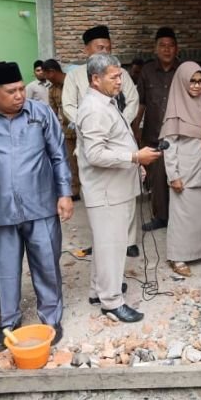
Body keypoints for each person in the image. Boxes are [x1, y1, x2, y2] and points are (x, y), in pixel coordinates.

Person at [0, 62, 74, 351]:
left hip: (41, 204)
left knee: (47, 264)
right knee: (3, 269)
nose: (20, 95)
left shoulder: (40, 113)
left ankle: (51, 318)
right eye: (12, 91)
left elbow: (58, 155)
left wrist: (64, 193)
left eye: (21, 88)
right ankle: (8, 321)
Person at [76, 54, 160, 322]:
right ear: (95, 79)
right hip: (106, 192)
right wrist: (135, 158)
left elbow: (115, 143)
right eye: (114, 77)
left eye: (120, 75)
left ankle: (97, 291)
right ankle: (111, 301)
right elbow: (95, 155)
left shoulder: (106, 103)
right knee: (112, 246)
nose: (120, 81)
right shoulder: (93, 109)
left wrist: (136, 165)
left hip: (116, 186)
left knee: (105, 245)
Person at [62, 25, 140, 257]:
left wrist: (117, 124)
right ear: (87, 49)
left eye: (107, 46)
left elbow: (133, 100)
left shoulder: (119, 73)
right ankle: (102, 241)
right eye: (99, 47)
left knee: (126, 191)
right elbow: (69, 105)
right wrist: (93, 126)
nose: (104, 49)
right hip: (92, 139)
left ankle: (129, 240)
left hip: (121, 138)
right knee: (97, 194)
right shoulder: (75, 76)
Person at [160, 61, 201, 277]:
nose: (197, 86)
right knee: (182, 216)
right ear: (182, 82)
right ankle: (178, 256)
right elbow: (169, 145)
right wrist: (173, 175)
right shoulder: (175, 106)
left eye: (200, 81)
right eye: (192, 81)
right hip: (185, 169)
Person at [136, 27, 181, 231]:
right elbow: (141, 103)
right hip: (153, 134)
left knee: (178, 177)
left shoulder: (183, 70)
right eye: (162, 45)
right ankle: (161, 217)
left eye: (170, 46)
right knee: (156, 178)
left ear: (176, 48)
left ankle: (179, 218)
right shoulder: (146, 71)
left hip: (178, 134)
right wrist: (134, 129)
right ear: (156, 49)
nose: (166, 50)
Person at [43, 59, 80, 199]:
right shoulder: (52, 89)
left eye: (46, 74)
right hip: (67, 131)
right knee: (71, 162)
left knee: (87, 159)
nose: (45, 78)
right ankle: (75, 191)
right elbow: (53, 111)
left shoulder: (73, 82)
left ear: (52, 72)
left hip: (83, 128)